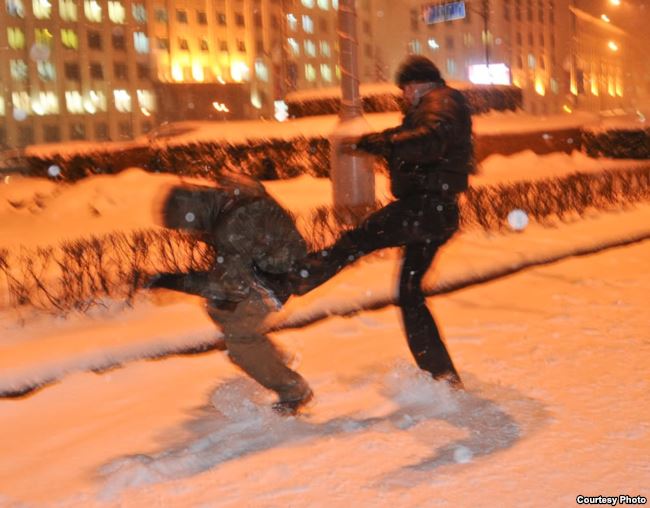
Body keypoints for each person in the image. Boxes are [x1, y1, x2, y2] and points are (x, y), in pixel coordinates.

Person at [258, 55, 474, 387]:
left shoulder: (441, 102)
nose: (403, 95)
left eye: (404, 89)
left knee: (356, 240)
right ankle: (441, 374)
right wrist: (376, 142)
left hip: (425, 209)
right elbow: (414, 135)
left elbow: (430, 139)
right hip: (434, 211)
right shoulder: (436, 105)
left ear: (417, 84)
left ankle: (292, 281)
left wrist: (386, 143)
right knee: (409, 292)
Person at [148, 174, 313, 415]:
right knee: (218, 307)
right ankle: (271, 361)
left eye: (184, 226)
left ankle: (293, 389)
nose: (186, 232)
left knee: (240, 337)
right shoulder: (223, 201)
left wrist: (176, 281)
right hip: (273, 262)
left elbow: (232, 285)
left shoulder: (232, 226)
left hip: (277, 276)